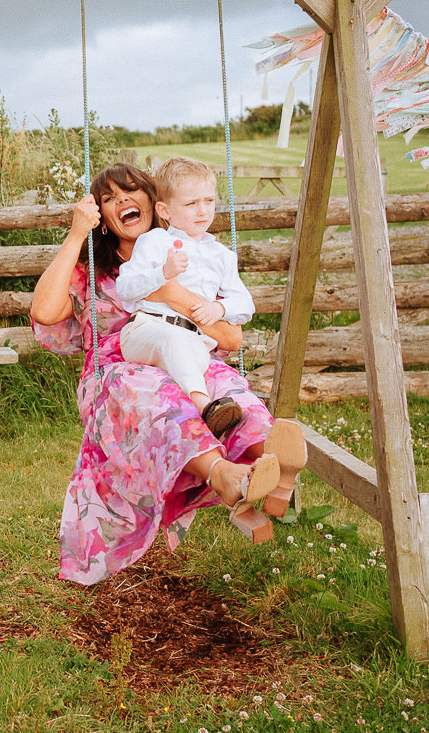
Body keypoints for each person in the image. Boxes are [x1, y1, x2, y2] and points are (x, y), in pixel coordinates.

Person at [29, 161, 306, 586]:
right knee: (157, 392)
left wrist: (172, 293)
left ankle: (267, 467)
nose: (122, 200)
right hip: (118, 369)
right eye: (108, 198)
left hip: (191, 353)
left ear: (156, 204)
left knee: (229, 390)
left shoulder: (192, 257)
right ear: (102, 215)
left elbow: (230, 337)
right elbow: (45, 312)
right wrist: (75, 234)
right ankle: (223, 474)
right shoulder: (94, 270)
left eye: (131, 190)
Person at [115, 156, 256, 438]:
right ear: (165, 210)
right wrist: (162, 274)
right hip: (147, 330)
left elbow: (245, 304)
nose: (202, 211)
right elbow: (125, 288)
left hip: (195, 340)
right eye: (191, 204)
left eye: (209, 201)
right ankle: (206, 407)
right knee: (173, 339)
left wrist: (220, 307)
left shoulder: (223, 256)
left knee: (186, 347)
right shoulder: (155, 241)